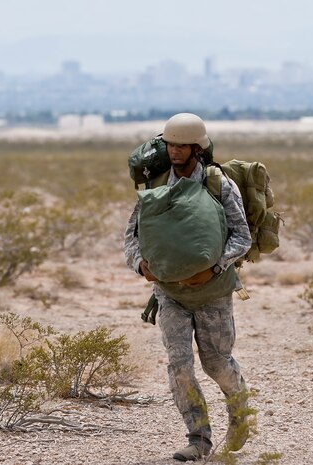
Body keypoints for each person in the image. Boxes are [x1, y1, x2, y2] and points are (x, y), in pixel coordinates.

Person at [124, 113, 253, 461]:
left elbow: (243, 237)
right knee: (179, 367)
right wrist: (141, 265)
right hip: (170, 295)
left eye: (182, 145)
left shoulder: (218, 184)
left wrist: (213, 268)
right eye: (171, 144)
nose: (175, 150)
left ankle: (240, 409)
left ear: (197, 148)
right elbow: (132, 236)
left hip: (213, 293)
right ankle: (199, 440)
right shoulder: (155, 185)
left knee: (215, 363)